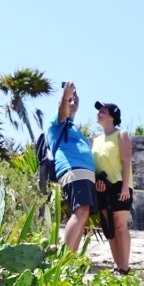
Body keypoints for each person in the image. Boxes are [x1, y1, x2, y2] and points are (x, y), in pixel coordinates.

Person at [47, 81, 97, 253]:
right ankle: (63, 258)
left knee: (83, 214)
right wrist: (66, 96)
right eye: (70, 100)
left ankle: (70, 259)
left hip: (84, 173)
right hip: (72, 169)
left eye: (76, 100)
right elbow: (62, 112)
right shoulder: (57, 121)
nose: (73, 102)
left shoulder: (73, 127)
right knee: (81, 211)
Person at [91, 101, 133, 274]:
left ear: (112, 116)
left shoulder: (121, 134)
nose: (99, 113)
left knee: (120, 226)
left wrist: (125, 187)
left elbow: (126, 161)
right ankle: (117, 265)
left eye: (103, 111)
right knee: (109, 227)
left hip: (119, 186)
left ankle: (124, 266)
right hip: (102, 187)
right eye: (99, 111)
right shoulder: (96, 140)